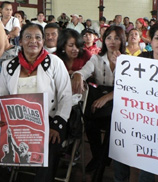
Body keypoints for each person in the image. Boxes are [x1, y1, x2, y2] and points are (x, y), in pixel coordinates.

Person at [0, 23, 72, 182]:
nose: (33, 41)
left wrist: (57, 125)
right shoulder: (8, 66)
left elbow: (66, 96)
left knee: (49, 146)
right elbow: (2, 96)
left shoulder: (55, 63)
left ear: (43, 40)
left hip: (49, 121)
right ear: (20, 41)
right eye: (28, 37)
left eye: (38, 37)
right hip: (17, 121)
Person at [114, 20, 158, 182]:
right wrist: (120, 67)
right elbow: (125, 86)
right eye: (157, 37)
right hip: (135, 116)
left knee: (148, 161)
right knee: (121, 150)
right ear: (151, 41)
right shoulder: (140, 60)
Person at [71, 26, 126, 181]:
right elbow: (84, 71)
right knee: (89, 121)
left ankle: (99, 169)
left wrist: (108, 96)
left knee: (112, 127)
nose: (112, 42)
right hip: (99, 100)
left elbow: (131, 87)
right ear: (103, 40)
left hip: (120, 102)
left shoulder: (128, 61)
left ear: (122, 40)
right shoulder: (96, 58)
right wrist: (77, 75)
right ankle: (99, 157)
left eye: (116, 38)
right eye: (108, 38)